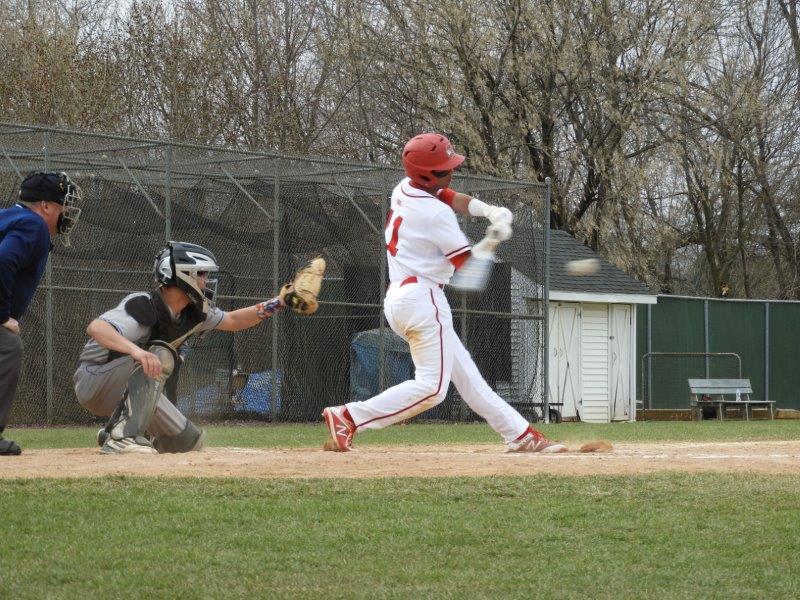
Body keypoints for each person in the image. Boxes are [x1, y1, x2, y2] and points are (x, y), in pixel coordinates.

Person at [322, 133, 566, 453]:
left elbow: (448, 194)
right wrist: (492, 241)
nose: (450, 172)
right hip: (424, 301)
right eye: (443, 169)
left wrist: (488, 210)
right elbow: (467, 273)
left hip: (402, 297)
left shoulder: (405, 188)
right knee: (433, 389)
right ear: (426, 174)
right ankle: (349, 416)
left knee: (468, 378)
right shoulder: (435, 216)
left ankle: (520, 435)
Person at [74, 241, 291, 454]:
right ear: (184, 275)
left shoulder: (192, 314)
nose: (206, 281)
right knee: (161, 354)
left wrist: (280, 302)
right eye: (202, 274)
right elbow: (97, 328)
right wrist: (137, 352)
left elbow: (233, 320)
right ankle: (122, 438)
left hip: (124, 387)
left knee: (188, 443)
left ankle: (113, 430)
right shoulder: (144, 304)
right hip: (95, 378)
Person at [0, 171, 82, 456]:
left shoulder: (9, 217)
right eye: (64, 204)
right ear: (46, 205)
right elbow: (2, 260)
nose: (68, 212)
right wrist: (1, 316)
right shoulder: (33, 225)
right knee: (7, 346)